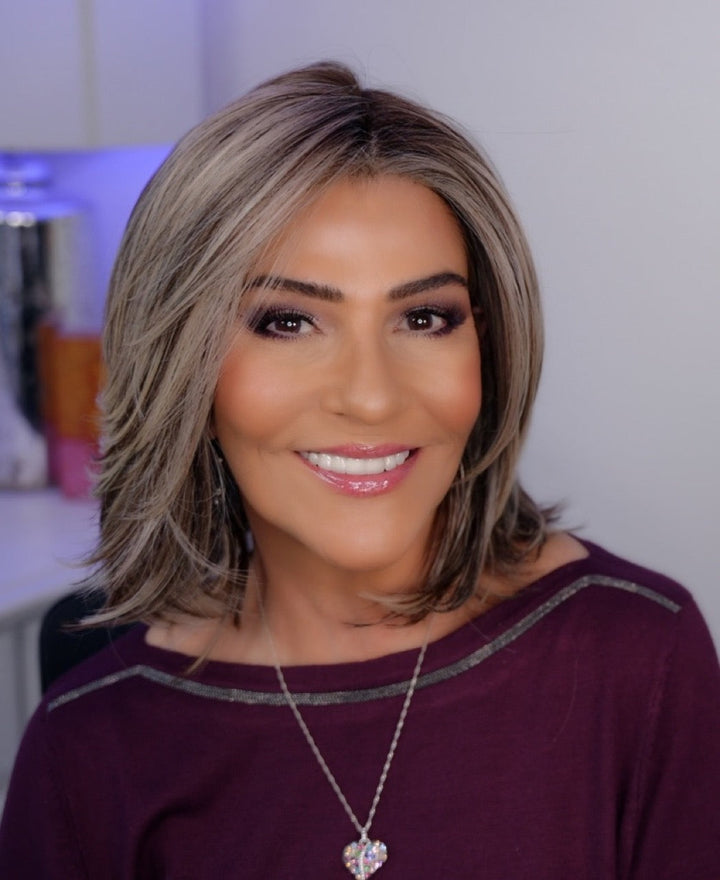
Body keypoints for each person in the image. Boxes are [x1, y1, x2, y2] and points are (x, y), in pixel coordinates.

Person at [1, 61, 718, 879]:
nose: (372, 398)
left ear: (485, 345)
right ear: (182, 362)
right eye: (288, 322)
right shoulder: (87, 749)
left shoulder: (639, 657)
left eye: (424, 317)